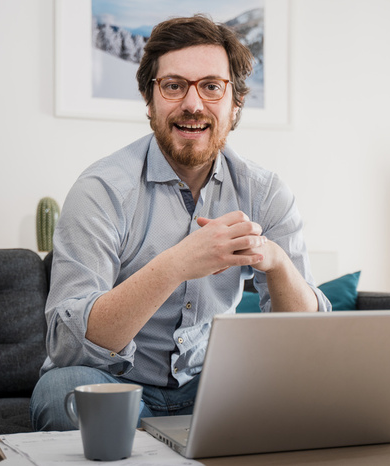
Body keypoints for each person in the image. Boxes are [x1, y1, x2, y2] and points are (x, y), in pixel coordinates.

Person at [30, 15, 331, 431]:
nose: (193, 104)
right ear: (149, 99)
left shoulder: (265, 193)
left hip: (216, 385)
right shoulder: (101, 190)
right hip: (117, 381)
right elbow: (68, 348)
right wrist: (178, 263)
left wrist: (277, 262)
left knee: (324, 394)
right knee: (64, 393)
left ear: (235, 102)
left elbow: (308, 342)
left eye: (211, 86)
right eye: (174, 86)